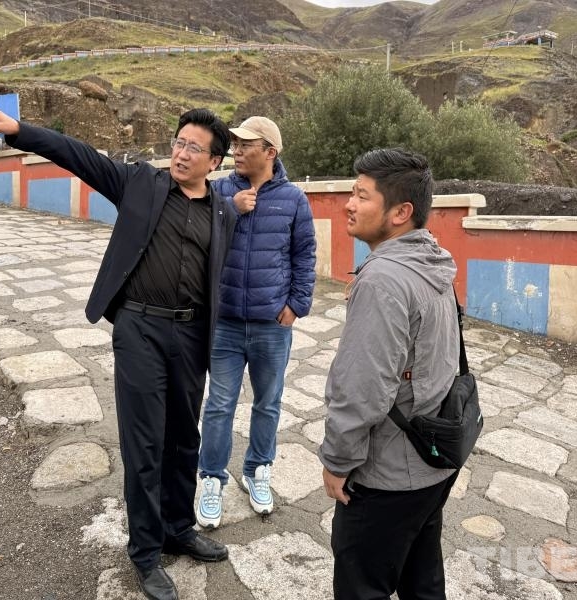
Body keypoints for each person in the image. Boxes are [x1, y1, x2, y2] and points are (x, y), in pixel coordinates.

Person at [0, 90, 237, 600]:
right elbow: (80, 155)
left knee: (184, 438)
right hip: (140, 329)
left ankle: (178, 528)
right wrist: (20, 131)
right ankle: (146, 552)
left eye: (194, 148)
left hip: (191, 333)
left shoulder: (222, 211)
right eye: (178, 142)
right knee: (145, 444)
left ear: (214, 162)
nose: (181, 153)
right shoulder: (140, 183)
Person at [319, 148, 460, 600]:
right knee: (423, 583)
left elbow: (363, 389)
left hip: (388, 476)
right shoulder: (433, 262)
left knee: (362, 587)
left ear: (401, 212)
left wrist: (338, 461)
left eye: (362, 196)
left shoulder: (383, 279)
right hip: (431, 461)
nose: (349, 204)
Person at [196, 116, 316, 528]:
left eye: (246, 145)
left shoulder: (294, 200)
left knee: (268, 402)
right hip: (225, 322)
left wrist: (297, 304)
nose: (236, 151)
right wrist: (230, 210)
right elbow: (196, 235)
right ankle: (212, 477)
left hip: (271, 325)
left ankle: (257, 470)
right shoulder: (218, 191)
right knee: (219, 404)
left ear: (270, 152)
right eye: (235, 144)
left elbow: (305, 255)